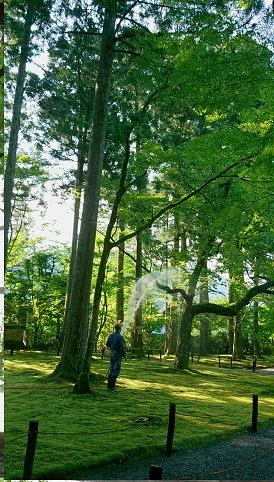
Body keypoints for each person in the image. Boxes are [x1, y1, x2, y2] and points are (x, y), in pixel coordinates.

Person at [106, 323, 126, 392]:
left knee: (111, 370)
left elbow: (107, 344)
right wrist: (124, 355)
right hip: (117, 354)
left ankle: (109, 386)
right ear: (120, 329)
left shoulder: (111, 335)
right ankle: (112, 387)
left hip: (111, 354)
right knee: (116, 370)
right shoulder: (120, 337)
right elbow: (121, 348)